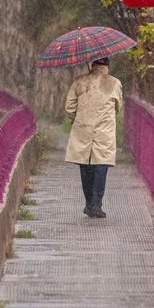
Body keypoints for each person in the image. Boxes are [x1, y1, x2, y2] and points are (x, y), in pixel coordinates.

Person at [64, 57, 122, 218]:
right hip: (105, 131)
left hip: (83, 129)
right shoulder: (115, 83)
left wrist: (78, 118)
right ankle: (96, 204)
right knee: (101, 165)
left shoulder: (79, 82)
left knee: (85, 165)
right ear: (107, 66)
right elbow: (118, 107)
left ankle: (89, 203)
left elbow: (69, 108)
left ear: (92, 65)